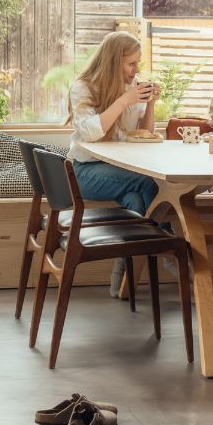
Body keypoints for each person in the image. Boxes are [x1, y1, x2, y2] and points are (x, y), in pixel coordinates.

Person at [66, 31, 162, 295]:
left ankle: (123, 276)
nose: (136, 70)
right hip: (83, 172)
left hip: (121, 173)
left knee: (136, 199)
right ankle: (170, 248)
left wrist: (150, 104)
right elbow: (90, 132)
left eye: (137, 64)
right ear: (113, 61)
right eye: (131, 63)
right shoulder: (83, 87)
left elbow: (143, 133)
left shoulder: (133, 87)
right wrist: (123, 101)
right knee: (148, 182)